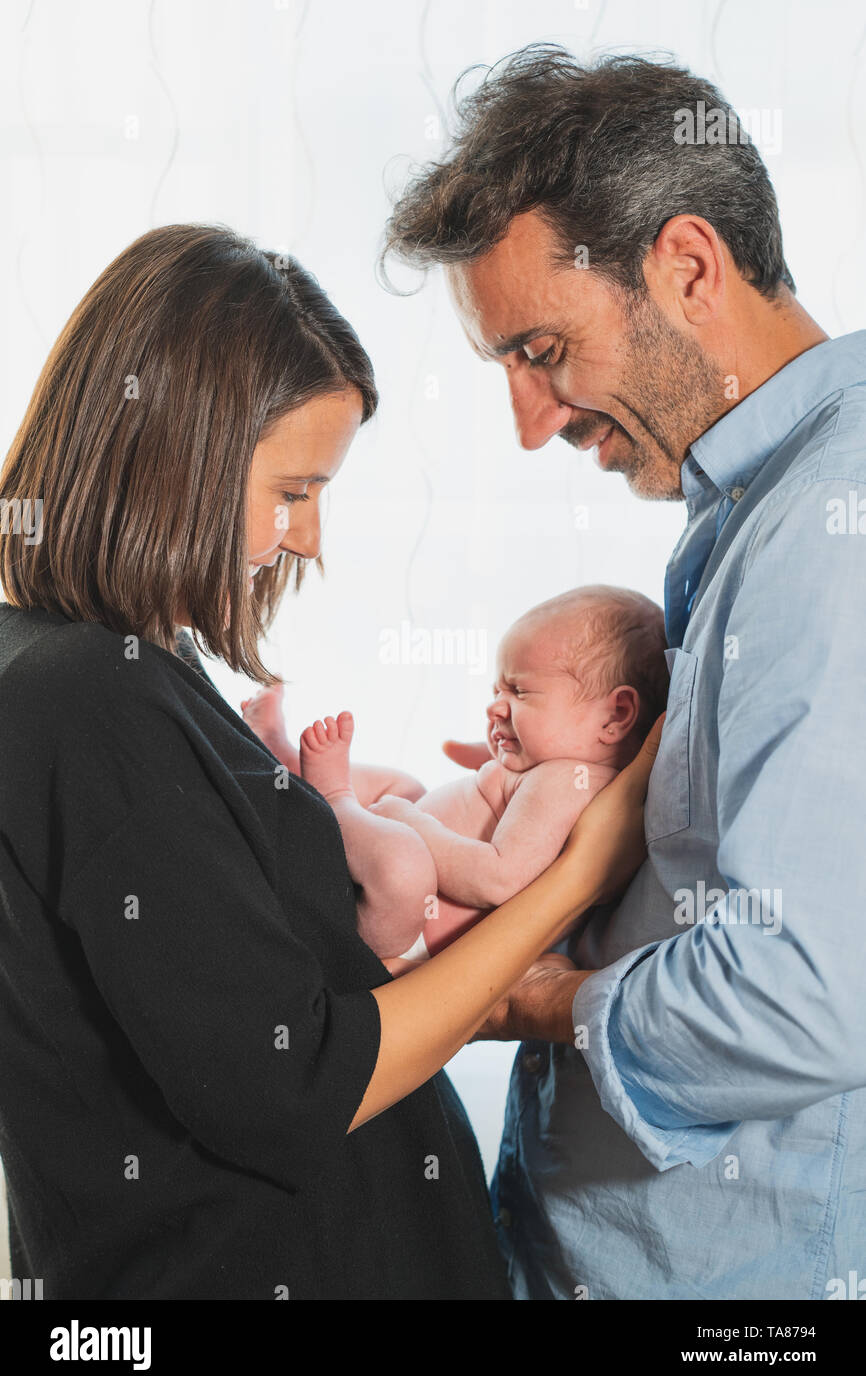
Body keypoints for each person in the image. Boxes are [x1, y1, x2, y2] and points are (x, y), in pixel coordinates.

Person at [0, 221, 661, 1300]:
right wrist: (579, 872)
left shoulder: (92, 673)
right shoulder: (91, 697)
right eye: (293, 490)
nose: (306, 539)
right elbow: (296, 1077)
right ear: (180, 452)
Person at [381, 44, 866, 1299]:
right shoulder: (757, 515)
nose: (529, 420)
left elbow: (805, 997)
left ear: (688, 266)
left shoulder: (833, 529)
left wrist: (536, 998)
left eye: (542, 348)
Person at [244, 585, 668, 974]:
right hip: (397, 888)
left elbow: (498, 880)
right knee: (405, 786)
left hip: (404, 924)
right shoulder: (572, 770)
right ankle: (292, 768)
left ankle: (333, 798)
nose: (495, 707)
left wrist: (413, 821)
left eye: (518, 692)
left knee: (403, 847)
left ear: (616, 715)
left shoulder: (566, 782)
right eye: (494, 692)